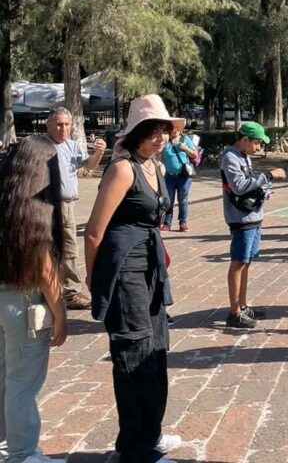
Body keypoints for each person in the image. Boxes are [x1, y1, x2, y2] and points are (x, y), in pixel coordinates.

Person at [84, 95, 183, 463]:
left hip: (149, 267)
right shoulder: (122, 168)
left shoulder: (153, 166)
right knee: (133, 352)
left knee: (155, 349)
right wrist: (96, 283)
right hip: (123, 268)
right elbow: (94, 231)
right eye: (155, 130)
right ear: (138, 131)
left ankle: (150, 433)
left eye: (165, 131)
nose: (162, 137)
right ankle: (134, 448)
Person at [0, 137, 68, 463]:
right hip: (23, 304)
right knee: (23, 384)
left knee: (5, 379)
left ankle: (4, 446)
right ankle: (24, 454)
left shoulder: (5, 200)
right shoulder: (34, 209)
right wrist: (61, 312)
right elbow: (45, 267)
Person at [220, 121, 286, 328]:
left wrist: (263, 189)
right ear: (244, 140)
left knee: (246, 262)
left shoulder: (243, 156)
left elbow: (248, 183)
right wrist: (268, 174)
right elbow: (238, 187)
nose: (259, 147)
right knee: (238, 262)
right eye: (257, 143)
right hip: (241, 219)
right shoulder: (230, 157)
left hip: (253, 216)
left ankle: (242, 305)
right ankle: (234, 312)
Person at [44, 107, 106, 310]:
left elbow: (88, 166)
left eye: (67, 124)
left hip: (68, 204)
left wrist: (99, 152)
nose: (63, 128)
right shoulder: (41, 145)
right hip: (47, 204)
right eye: (59, 124)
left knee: (66, 248)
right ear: (49, 124)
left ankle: (65, 290)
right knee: (59, 247)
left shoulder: (72, 145)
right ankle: (68, 291)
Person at [160, 126, 198, 232]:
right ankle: (167, 223)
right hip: (169, 176)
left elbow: (195, 154)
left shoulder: (185, 140)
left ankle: (183, 222)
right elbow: (159, 156)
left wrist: (185, 148)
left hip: (183, 176)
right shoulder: (166, 141)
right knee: (169, 200)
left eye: (175, 129)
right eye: (171, 129)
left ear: (180, 130)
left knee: (183, 199)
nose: (173, 131)